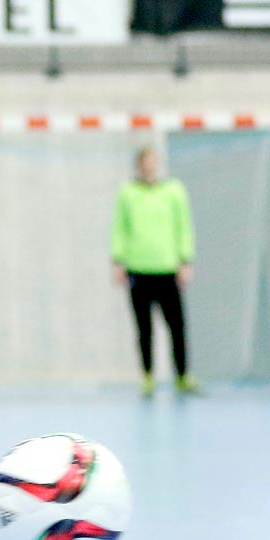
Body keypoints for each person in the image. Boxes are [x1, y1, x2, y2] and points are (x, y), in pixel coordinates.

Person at [110, 146, 200, 397]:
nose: (149, 166)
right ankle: (147, 376)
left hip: (167, 268)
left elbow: (184, 226)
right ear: (138, 165)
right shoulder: (127, 193)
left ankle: (183, 376)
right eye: (145, 162)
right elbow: (119, 227)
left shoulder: (174, 191)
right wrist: (118, 260)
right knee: (144, 328)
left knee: (177, 325)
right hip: (138, 268)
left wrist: (185, 260)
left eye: (153, 162)